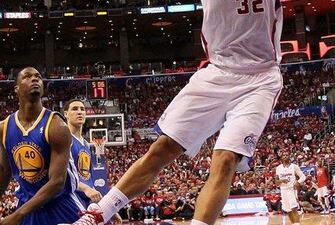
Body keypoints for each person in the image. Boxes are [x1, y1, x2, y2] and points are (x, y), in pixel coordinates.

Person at [69, 0, 283, 224]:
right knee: (162, 147)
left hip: (261, 78)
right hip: (218, 70)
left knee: (226, 159)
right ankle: (99, 214)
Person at [0, 67, 83, 225]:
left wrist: (18, 215)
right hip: (27, 205)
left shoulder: (57, 125)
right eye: (28, 76)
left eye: (38, 76)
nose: (35, 79)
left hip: (60, 205)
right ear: (16, 88)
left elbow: (57, 182)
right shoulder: (4, 127)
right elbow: (4, 171)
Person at [63, 99, 122, 224]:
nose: (79, 112)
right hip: (71, 198)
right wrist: (85, 189)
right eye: (74, 109)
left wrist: (107, 208)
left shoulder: (86, 145)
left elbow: (89, 181)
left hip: (87, 199)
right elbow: (61, 177)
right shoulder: (64, 139)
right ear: (65, 114)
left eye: (82, 109)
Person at [275, 152, 306, 225]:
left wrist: (298, 182)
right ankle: (294, 223)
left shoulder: (294, 166)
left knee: (293, 208)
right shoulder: (278, 168)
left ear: (289, 157)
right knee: (288, 210)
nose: (285, 156)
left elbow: (303, 177)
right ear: (281, 158)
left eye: (286, 155)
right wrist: (281, 180)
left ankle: (297, 224)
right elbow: (276, 182)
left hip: (291, 189)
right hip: (283, 190)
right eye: (284, 155)